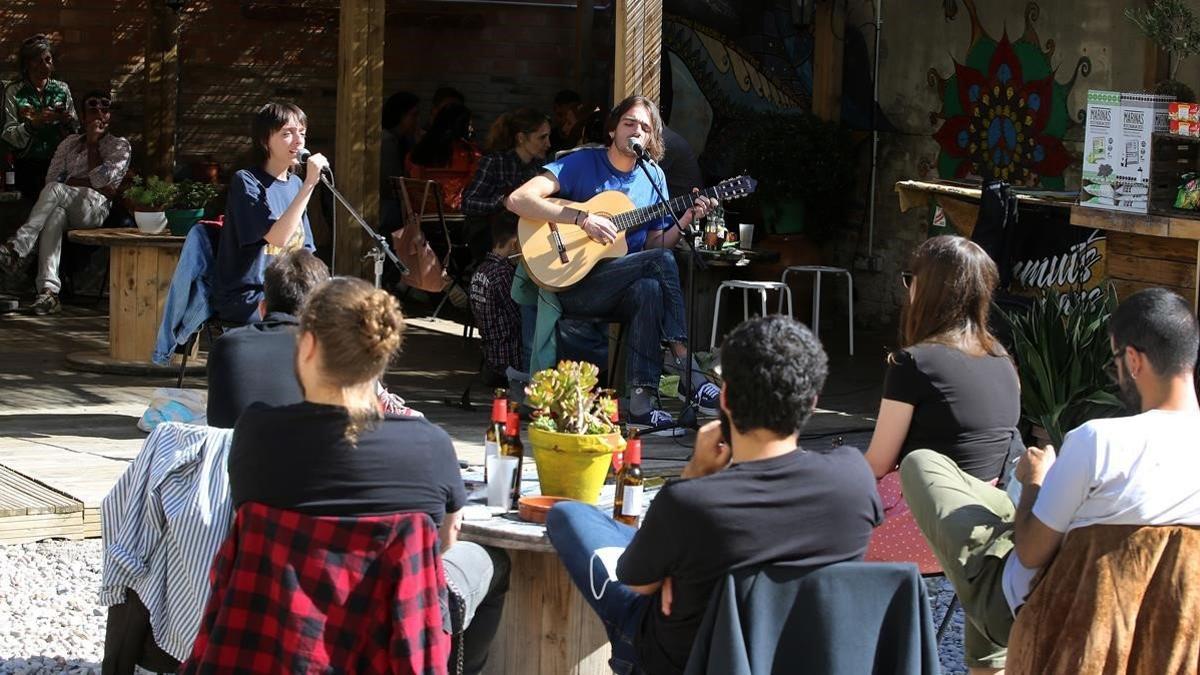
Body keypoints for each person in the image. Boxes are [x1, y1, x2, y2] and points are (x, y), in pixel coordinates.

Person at [545, 315, 883, 675]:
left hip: (679, 661)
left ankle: (661, 556)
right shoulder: (855, 480)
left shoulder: (691, 502)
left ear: (725, 399)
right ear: (812, 401)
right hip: (798, 659)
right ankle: (664, 555)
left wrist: (693, 476)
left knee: (568, 515)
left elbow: (636, 584)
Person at [899, 287, 1200, 674]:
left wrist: (1035, 482)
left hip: (1044, 616)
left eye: (1115, 362)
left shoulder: (1098, 442)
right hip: (1166, 636)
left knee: (922, 465)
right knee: (995, 515)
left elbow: (1029, 552)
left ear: (1134, 360)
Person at [227, 277, 508, 674]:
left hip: (275, 643)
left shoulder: (255, 431)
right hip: (391, 647)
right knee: (493, 563)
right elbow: (442, 546)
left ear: (307, 345)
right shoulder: (431, 445)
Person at [505, 94, 720, 432]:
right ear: (613, 130)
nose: (635, 131)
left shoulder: (654, 179)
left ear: (651, 139)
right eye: (628, 123)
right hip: (571, 283)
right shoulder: (581, 164)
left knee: (650, 285)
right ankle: (685, 365)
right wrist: (581, 219)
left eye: (644, 128)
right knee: (660, 265)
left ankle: (640, 402)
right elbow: (518, 200)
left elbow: (653, 245)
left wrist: (688, 218)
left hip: (617, 286)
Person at [864, 235, 1021, 482]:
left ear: (928, 289)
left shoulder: (913, 363)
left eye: (910, 280)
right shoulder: (1003, 358)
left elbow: (877, 465)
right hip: (988, 504)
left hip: (931, 509)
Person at [0, 90, 130, 315]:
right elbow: (52, 178)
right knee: (54, 215)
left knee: (56, 191)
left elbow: (102, 183)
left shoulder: (120, 146)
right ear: (82, 115)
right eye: (92, 108)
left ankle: (18, 248)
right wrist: (84, 180)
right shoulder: (69, 143)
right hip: (63, 201)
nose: (99, 113)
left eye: (105, 109)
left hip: (94, 208)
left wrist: (92, 145)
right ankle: (49, 292)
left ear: (110, 116)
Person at [212, 102, 322, 324]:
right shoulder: (247, 181)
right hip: (250, 296)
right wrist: (310, 184)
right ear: (264, 141)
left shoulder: (295, 184)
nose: (299, 141)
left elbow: (304, 250)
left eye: (302, 133)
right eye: (287, 134)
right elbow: (277, 238)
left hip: (288, 295)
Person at [206, 249, 328, 428]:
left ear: (261, 308)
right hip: (305, 451)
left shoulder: (227, 345)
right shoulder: (330, 354)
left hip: (236, 452)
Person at [461, 107, 551, 259]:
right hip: (493, 236)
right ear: (521, 138)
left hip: (529, 234)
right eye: (542, 138)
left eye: (549, 137)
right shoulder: (494, 162)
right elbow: (468, 203)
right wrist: (503, 201)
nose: (548, 143)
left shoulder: (542, 166)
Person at [2, 34, 78, 199]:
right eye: (37, 60)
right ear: (27, 63)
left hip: (58, 163)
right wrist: (33, 124)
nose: (44, 65)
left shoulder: (61, 89)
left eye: (48, 60)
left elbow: (76, 131)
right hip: (25, 164)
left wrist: (66, 121)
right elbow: (8, 134)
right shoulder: (14, 91)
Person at [468, 219, 521, 386]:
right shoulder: (503, 273)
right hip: (508, 356)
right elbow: (517, 314)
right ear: (514, 243)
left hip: (491, 353)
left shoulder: (481, 270)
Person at [406, 101, 480, 214]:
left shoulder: (418, 151)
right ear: (462, 126)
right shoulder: (470, 154)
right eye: (469, 125)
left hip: (421, 213)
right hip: (455, 214)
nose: (472, 129)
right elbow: (476, 183)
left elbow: (412, 182)